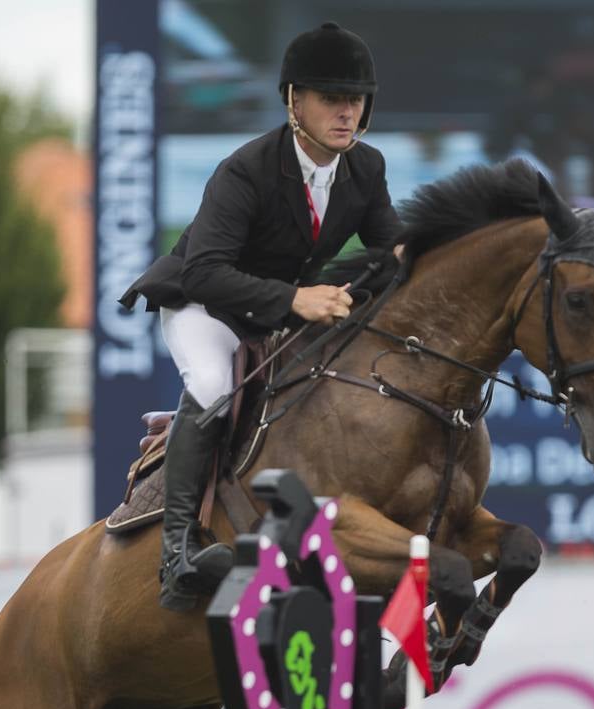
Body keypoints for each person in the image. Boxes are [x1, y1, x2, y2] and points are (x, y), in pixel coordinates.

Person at [120, 22, 402, 611]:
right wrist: (297, 299)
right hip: (207, 306)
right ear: (294, 100)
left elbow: (388, 253)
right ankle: (177, 556)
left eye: (355, 100)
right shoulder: (245, 169)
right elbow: (204, 272)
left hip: (275, 313)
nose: (346, 112)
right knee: (214, 384)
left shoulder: (366, 170)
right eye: (331, 99)